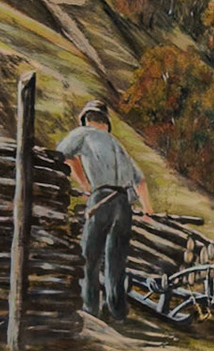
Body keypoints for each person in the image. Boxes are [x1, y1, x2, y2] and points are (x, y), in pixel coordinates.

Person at [57, 100, 149, 321]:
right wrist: (148, 210)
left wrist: (84, 185)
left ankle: (90, 309)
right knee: (116, 261)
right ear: (106, 123)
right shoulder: (118, 144)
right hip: (124, 205)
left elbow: (63, 154)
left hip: (102, 198)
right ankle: (117, 311)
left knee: (89, 257)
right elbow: (141, 180)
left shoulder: (84, 133)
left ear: (87, 119)